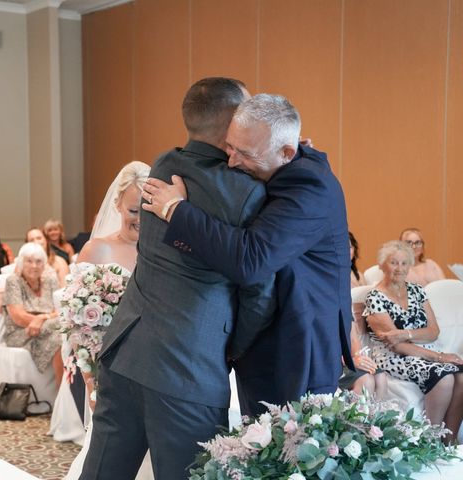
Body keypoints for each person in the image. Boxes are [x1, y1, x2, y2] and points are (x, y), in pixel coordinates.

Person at [81, 78, 275, 479]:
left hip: (126, 350)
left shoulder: (164, 165)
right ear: (234, 120)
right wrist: (232, 349)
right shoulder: (246, 192)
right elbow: (257, 290)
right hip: (189, 364)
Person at [143, 93, 353, 416]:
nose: (231, 161)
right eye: (230, 147)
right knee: (260, 445)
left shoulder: (311, 188)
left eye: (245, 153)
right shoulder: (286, 165)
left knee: (289, 455)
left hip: (301, 345)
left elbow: (250, 260)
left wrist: (177, 211)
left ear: (287, 152)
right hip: (273, 337)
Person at [66, 160, 153, 480]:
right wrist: (91, 381)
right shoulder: (97, 250)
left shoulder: (166, 253)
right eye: (133, 210)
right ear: (117, 204)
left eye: (148, 210)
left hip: (156, 373)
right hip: (111, 375)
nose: (141, 219)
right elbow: (77, 322)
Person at [364, 240, 463, 443]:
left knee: (461, 375)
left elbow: (433, 332)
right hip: (394, 357)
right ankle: (430, 440)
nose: (399, 269)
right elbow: (397, 345)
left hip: (425, 349)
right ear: (382, 265)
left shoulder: (417, 291)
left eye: (404, 263)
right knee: (444, 377)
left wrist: (405, 333)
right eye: (393, 263)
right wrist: (440, 357)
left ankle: (450, 441)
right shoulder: (375, 297)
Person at [3, 243, 62, 386]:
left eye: (38, 261)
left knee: (61, 335)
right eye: (29, 261)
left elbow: (61, 310)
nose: (34, 266)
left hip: (49, 329)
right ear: (21, 262)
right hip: (22, 332)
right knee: (61, 332)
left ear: (44, 264)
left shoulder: (51, 281)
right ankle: (62, 393)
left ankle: (66, 395)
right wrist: (49, 318)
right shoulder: (13, 281)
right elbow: (18, 317)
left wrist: (42, 318)